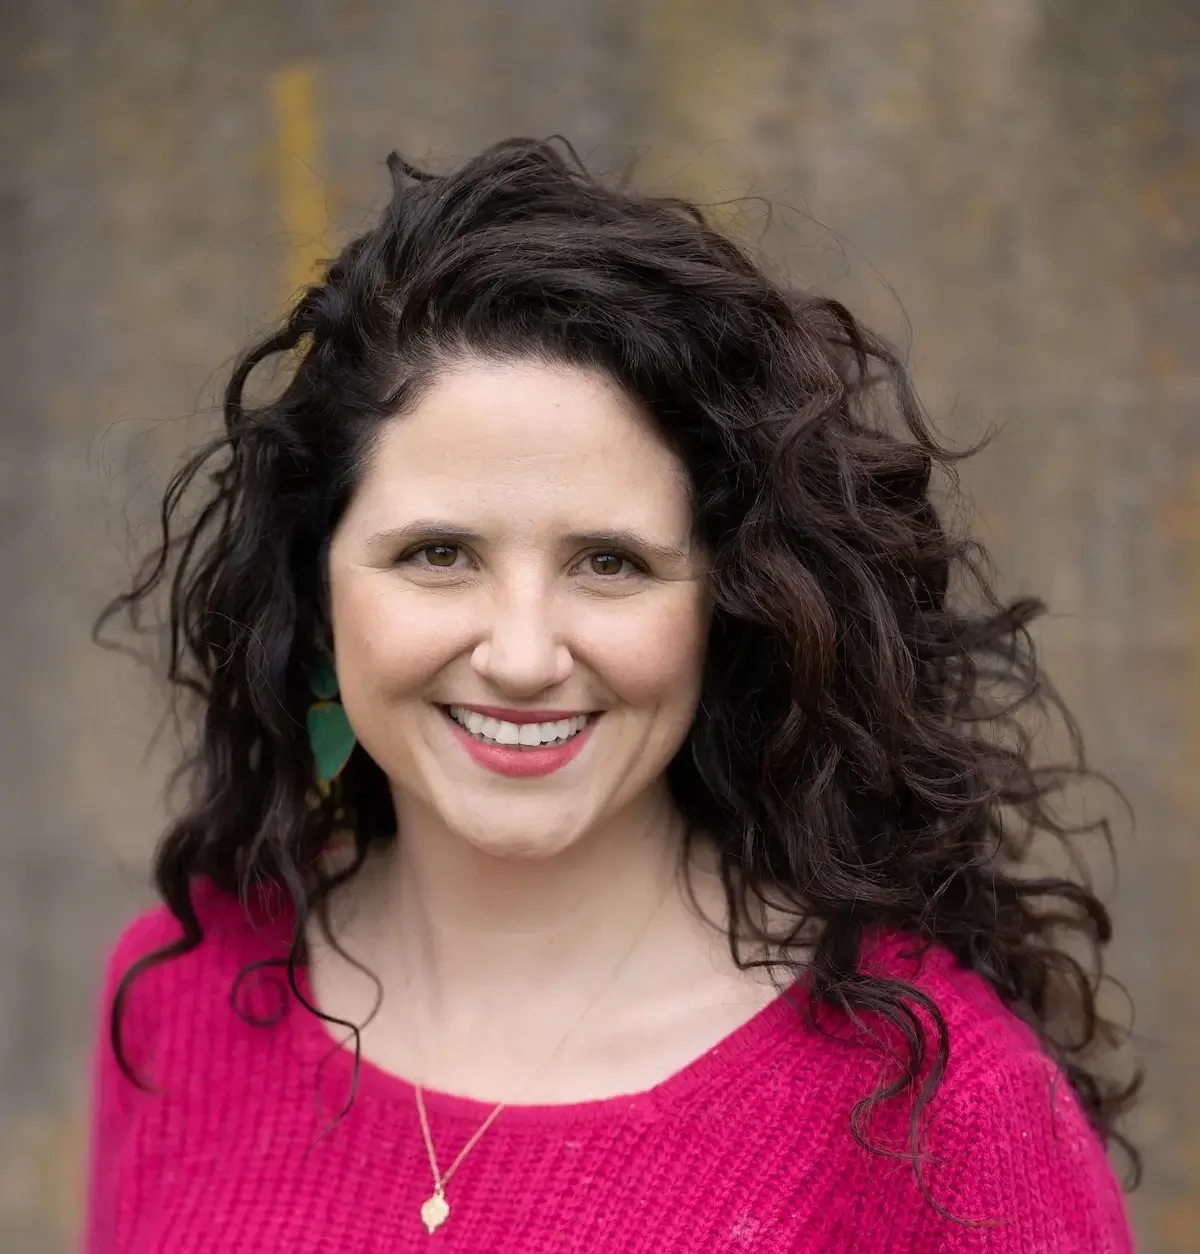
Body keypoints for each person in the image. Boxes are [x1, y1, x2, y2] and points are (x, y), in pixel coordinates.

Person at [84, 136, 1139, 1253]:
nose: (526, 655)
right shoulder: (181, 996)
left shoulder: (946, 1109)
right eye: (438, 553)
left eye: (611, 562)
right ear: (313, 588)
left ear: (732, 603)